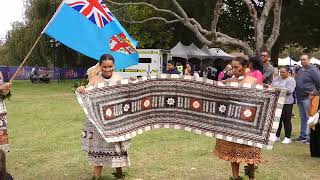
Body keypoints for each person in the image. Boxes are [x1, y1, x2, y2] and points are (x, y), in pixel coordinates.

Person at [77, 54, 130, 179]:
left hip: (114, 119)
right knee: (98, 147)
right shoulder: (95, 79)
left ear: (114, 65)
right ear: (100, 66)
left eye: (110, 66)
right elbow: (87, 92)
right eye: (104, 67)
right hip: (99, 120)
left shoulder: (119, 78)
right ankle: (96, 177)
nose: (107, 69)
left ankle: (119, 174)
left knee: (116, 146)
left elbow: (125, 96)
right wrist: (82, 89)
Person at [214, 56, 260, 180]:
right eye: (232, 67)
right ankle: (235, 177)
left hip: (248, 123)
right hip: (232, 122)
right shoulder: (229, 81)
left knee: (250, 151)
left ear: (244, 67)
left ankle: (251, 177)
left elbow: (261, 101)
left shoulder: (253, 82)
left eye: (236, 67)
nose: (234, 70)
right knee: (233, 150)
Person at [294, 54, 320, 144]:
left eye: (304, 59)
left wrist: (315, 93)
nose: (302, 61)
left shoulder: (313, 70)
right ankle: (303, 136)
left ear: (308, 60)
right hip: (300, 97)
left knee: (310, 118)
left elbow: (319, 82)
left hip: (308, 98)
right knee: (303, 117)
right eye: (301, 59)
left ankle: (310, 138)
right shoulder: (301, 70)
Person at [272, 66, 296, 144]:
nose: (281, 74)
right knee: (277, 120)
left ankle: (287, 137)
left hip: (287, 103)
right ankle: (277, 136)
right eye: (280, 72)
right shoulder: (277, 78)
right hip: (277, 101)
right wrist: (280, 88)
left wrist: (277, 88)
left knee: (286, 120)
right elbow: (272, 86)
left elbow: (289, 91)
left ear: (288, 72)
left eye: (283, 72)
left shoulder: (291, 80)